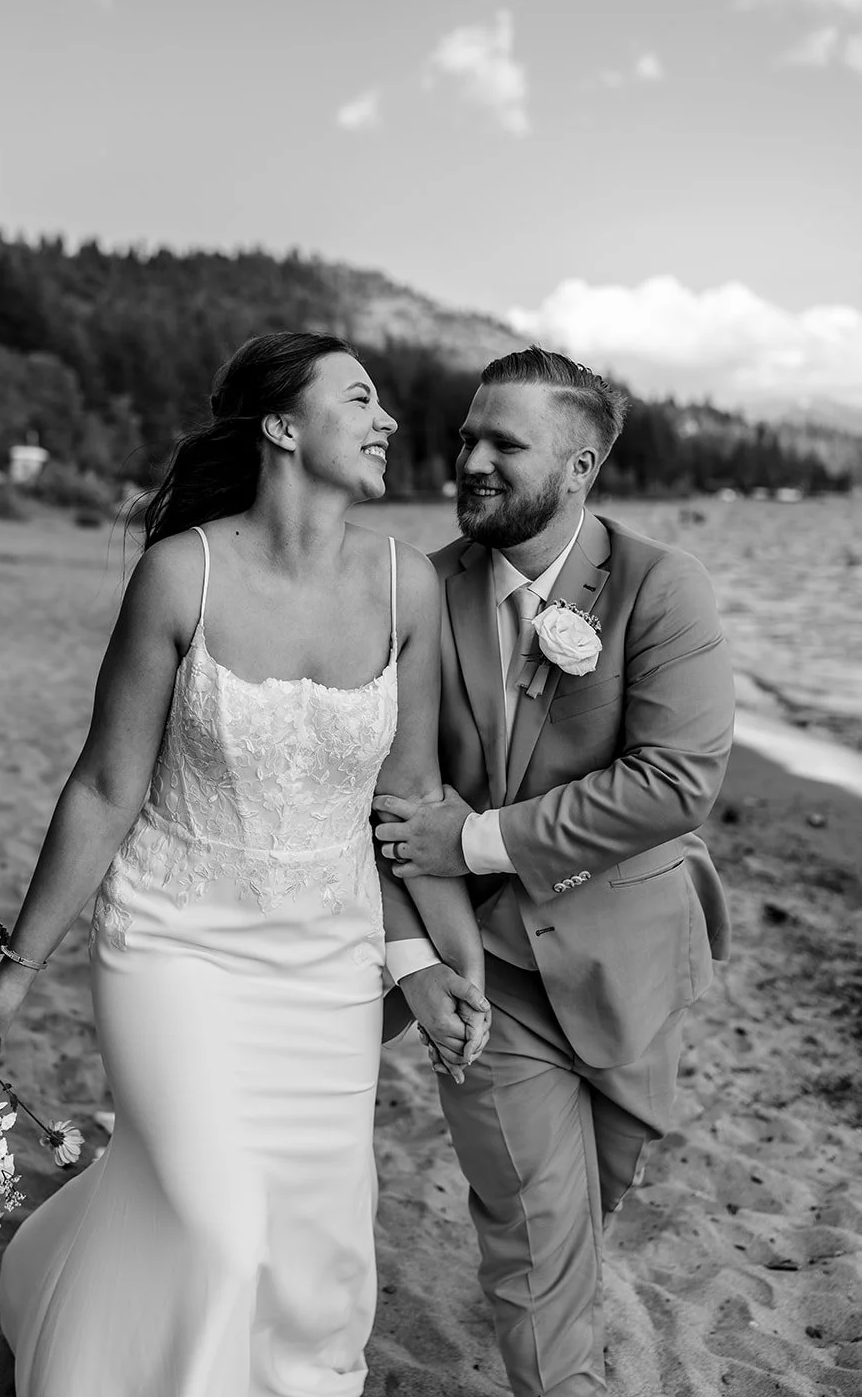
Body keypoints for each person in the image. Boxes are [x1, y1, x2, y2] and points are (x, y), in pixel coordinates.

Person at [0, 330, 489, 1397]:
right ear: (281, 427)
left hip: (326, 964)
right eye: (360, 400)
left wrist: (425, 961)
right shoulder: (177, 574)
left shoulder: (405, 585)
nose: (388, 423)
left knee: (311, 1245)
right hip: (173, 942)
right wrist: (19, 963)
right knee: (219, 1225)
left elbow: (405, 801)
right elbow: (104, 785)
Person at [375, 348, 734, 1397]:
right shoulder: (416, 591)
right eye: (466, 438)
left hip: (634, 961)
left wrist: (475, 836)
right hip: (487, 966)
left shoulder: (659, 584)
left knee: (593, 1197)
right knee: (533, 1230)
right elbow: (391, 798)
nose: (470, 459)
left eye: (503, 443)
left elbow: (675, 779)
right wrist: (418, 949)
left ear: (577, 467)